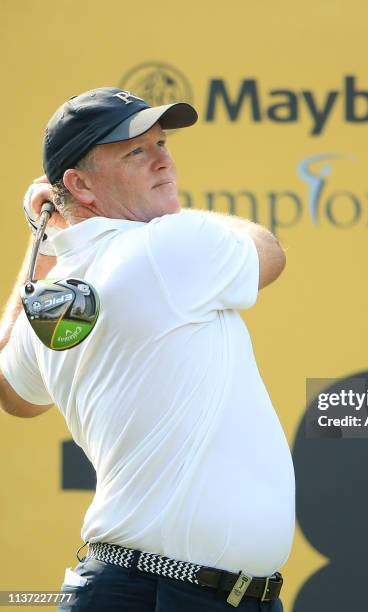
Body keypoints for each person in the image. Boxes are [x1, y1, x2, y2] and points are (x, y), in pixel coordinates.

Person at [0, 87, 295, 611]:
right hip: (162, 593)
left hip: (149, 588)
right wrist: (178, 220)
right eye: (137, 151)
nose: (164, 160)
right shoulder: (168, 244)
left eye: (162, 143)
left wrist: (43, 236)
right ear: (80, 184)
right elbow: (268, 251)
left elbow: (14, 393)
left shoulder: (55, 293)